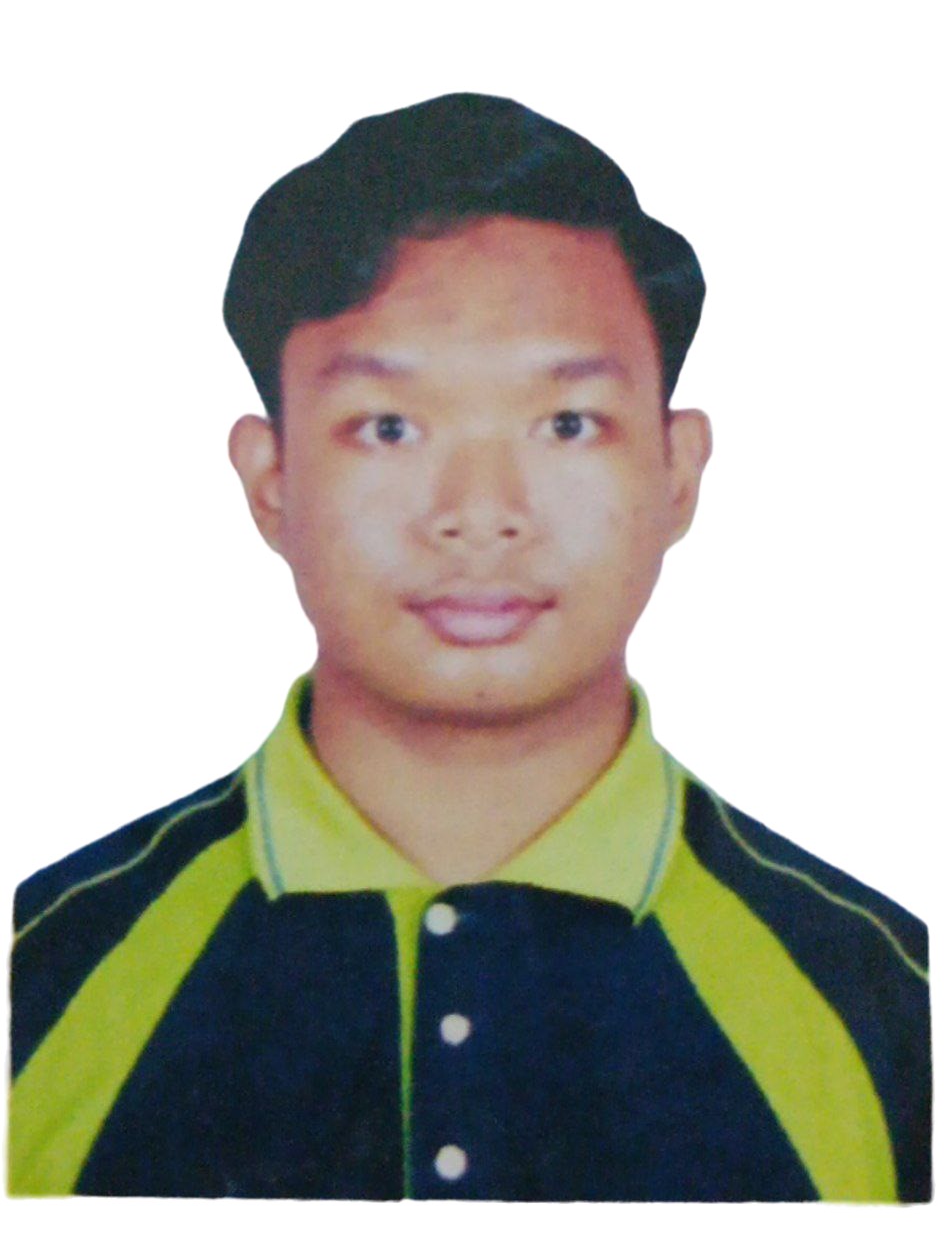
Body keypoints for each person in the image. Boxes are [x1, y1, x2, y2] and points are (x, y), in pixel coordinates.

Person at [9, 93, 930, 1202]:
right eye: (389, 427)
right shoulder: (44, 972)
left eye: (566, 424)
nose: (481, 514)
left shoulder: (887, 1002)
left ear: (676, 473)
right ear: (270, 479)